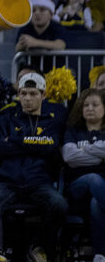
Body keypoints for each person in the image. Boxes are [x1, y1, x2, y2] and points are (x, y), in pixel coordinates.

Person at [0, 73, 68, 262]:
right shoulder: (5, 118)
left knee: (59, 204)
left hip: (39, 182)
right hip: (6, 182)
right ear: (18, 94)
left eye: (33, 94)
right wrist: (36, 144)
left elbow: (50, 145)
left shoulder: (52, 119)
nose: (27, 98)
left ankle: (39, 247)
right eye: (23, 93)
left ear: (43, 95)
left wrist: (15, 140)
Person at [62, 88, 105, 262]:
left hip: (100, 194)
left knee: (96, 203)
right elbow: (69, 156)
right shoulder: (73, 131)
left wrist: (84, 149)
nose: (90, 108)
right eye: (86, 105)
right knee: (93, 178)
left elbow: (76, 154)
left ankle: (100, 255)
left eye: (95, 105)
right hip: (76, 189)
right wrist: (99, 155)